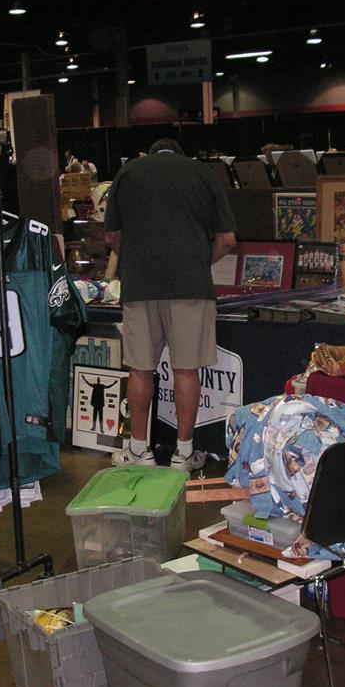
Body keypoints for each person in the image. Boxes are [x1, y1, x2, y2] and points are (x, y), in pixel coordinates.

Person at [105, 138, 237, 471]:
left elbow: (111, 236)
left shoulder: (128, 173)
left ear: (150, 154)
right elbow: (227, 239)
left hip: (140, 285)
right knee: (186, 370)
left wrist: (135, 261)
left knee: (140, 368)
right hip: (190, 286)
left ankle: (139, 451)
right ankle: (183, 454)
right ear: (180, 154)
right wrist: (198, 262)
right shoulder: (202, 173)